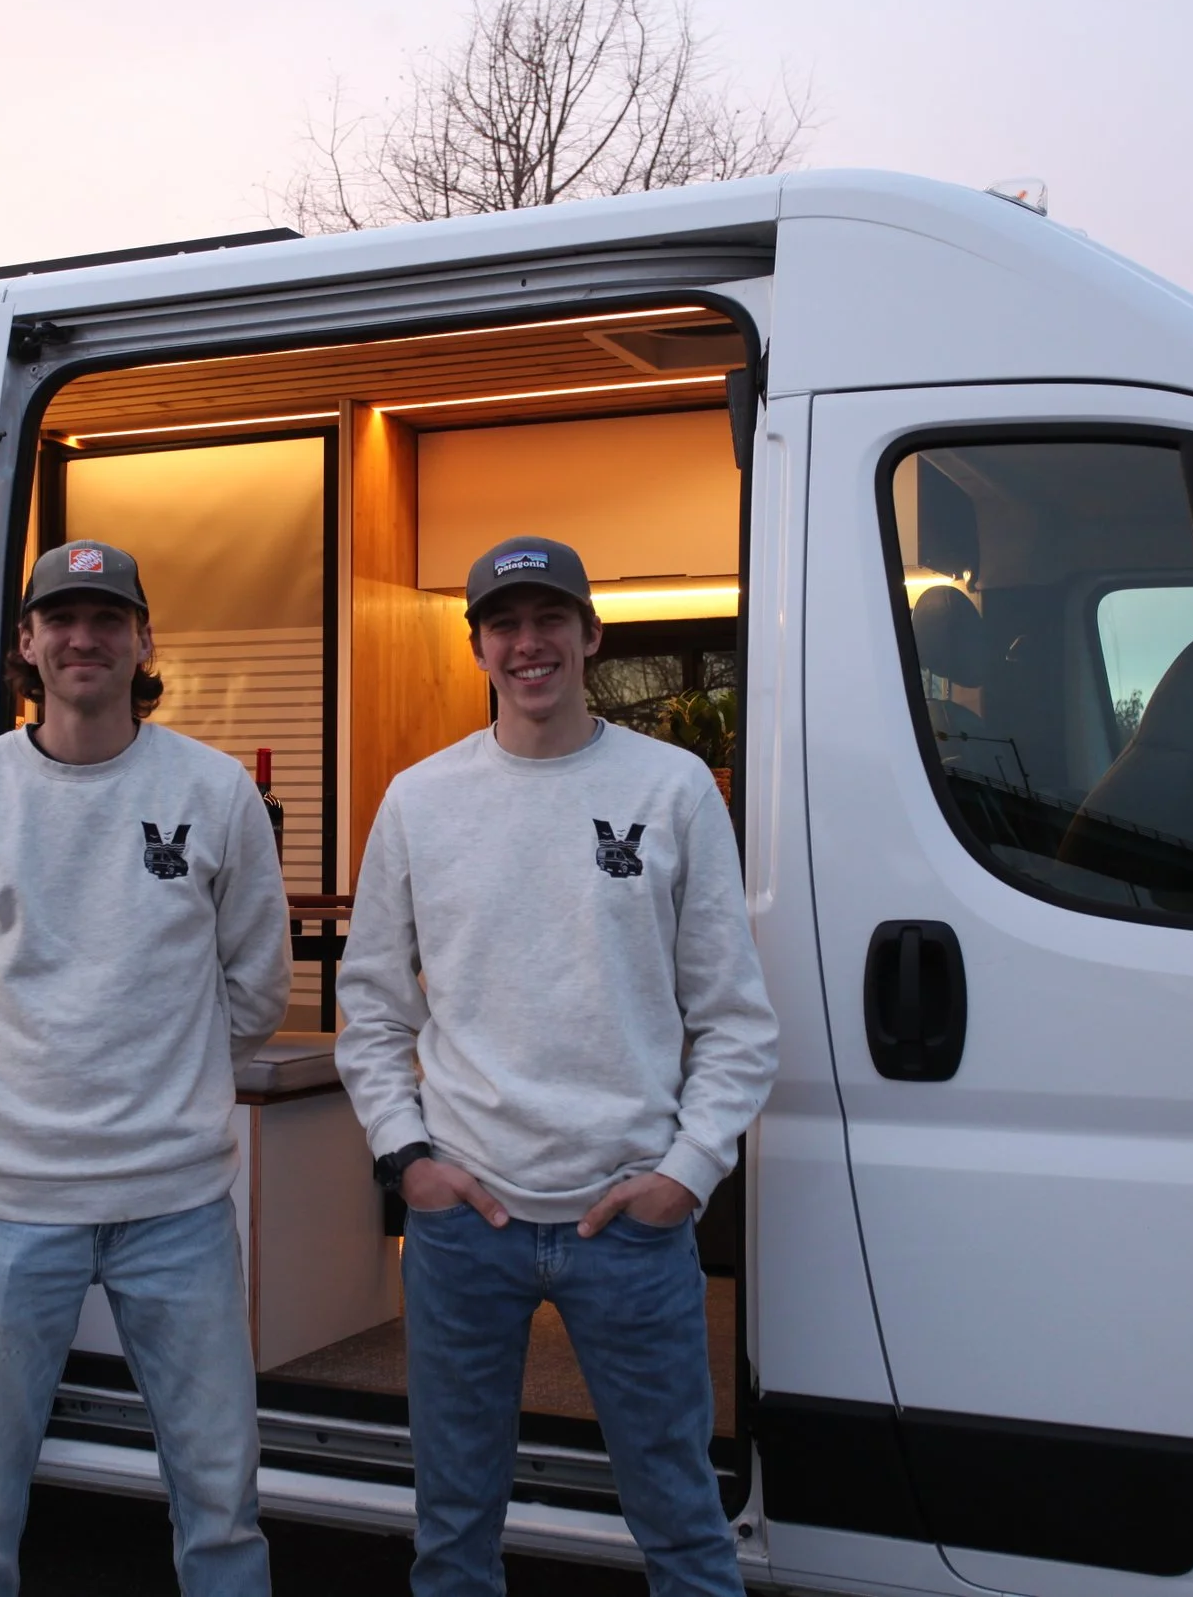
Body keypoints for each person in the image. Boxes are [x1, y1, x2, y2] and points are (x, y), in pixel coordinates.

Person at [335, 534, 780, 1597]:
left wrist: (686, 1173)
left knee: (682, 1522)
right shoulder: (420, 800)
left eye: (549, 620)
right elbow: (371, 1005)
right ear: (478, 645)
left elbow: (734, 1016)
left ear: (590, 634)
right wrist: (409, 1160)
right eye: (504, 623)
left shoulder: (672, 788)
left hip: (629, 1221)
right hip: (464, 1222)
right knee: (452, 1528)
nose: (527, 643)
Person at [0, 539, 291, 1597]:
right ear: (26, 641)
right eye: (61, 619)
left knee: (221, 1509)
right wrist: (10, 1092)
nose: (84, 637)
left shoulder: (213, 791)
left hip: (178, 1204)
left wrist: (170, 1081)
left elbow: (257, 983)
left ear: (143, 639)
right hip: (9, 1206)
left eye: (108, 618)